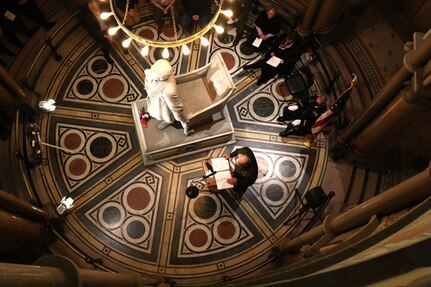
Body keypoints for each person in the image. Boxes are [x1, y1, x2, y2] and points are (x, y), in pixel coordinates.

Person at [144, 59, 191, 136]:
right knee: (153, 108)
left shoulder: (169, 91)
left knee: (166, 115)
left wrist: (185, 124)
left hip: (164, 105)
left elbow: (177, 109)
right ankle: (152, 110)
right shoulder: (162, 63)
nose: (150, 74)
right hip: (156, 98)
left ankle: (169, 121)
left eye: (154, 77)